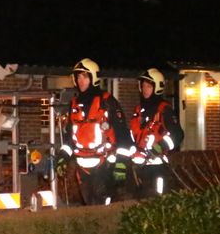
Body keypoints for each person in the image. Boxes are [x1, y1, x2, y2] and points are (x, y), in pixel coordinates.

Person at [59, 58, 132, 206]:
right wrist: (63, 157)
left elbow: (123, 134)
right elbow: (69, 138)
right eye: (78, 77)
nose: (81, 81)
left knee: (103, 204)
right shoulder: (73, 104)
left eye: (85, 77)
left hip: (104, 164)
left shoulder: (107, 102)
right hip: (82, 167)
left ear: (94, 78)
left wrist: (121, 163)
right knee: (88, 205)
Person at [129, 67, 185, 198]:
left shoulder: (164, 110)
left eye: (149, 86)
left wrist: (159, 147)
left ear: (157, 87)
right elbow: (133, 135)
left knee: (158, 202)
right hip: (138, 167)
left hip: (157, 166)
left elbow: (177, 135)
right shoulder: (138, 110)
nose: (145, 89)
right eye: (143, 86)